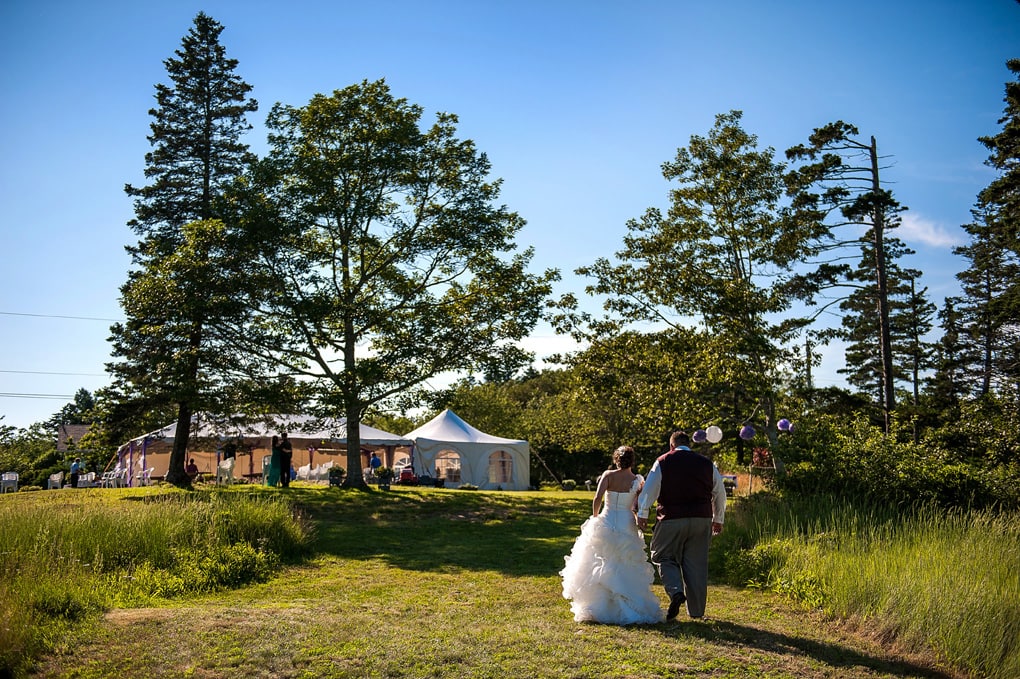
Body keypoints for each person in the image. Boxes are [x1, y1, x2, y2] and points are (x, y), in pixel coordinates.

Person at [560, 446, 664, 624]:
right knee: (624, 562)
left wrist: (595, 517)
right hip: (626, 523)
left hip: (607, 520)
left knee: (601, 560)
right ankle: (626, 603)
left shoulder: (608, 476)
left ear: (616, 459)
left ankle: (598, 606)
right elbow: (637, 506)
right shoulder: (638, 480)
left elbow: (597, 498)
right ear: (632, 461)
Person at [637, 430, 727, 621]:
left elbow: (649, 490)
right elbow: (720, 492)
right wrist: (718, 518)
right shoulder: (706, 463)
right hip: (701, 519)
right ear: (689, 445)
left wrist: (643, 513)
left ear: (672, 445)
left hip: (671, 517)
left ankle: (676, 591)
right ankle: (696, 612)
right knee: (696, 564)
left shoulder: (663, 461)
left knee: (662, 556)